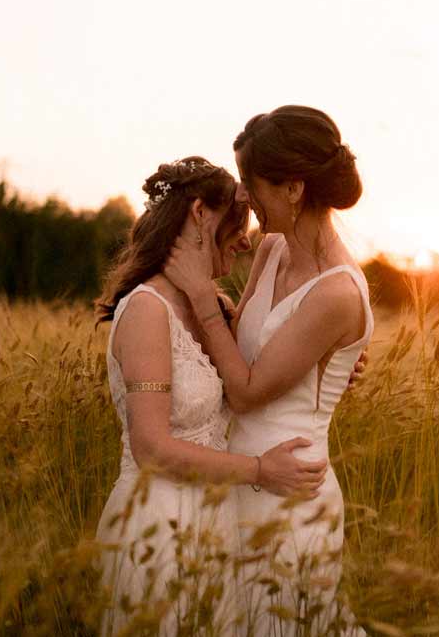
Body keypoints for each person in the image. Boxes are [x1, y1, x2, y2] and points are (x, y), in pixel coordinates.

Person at [93, 156, 328, 636]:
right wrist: (262, 472)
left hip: (215, 524)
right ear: (200, 214)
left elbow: (259, 374)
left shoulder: (214, 308)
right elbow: (151, 448)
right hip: (156, 525)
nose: (246, 238)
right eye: (237, 220)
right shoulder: (146, 310)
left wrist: (328, 361)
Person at [163, 106, 373, 635]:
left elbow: (249, 389)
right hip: (239, 478)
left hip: (290, 492)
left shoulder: (336, 292)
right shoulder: (273, 249)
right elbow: (236, 350)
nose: (242, 197)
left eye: (250, 183)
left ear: (293, 188)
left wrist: (199, 295)